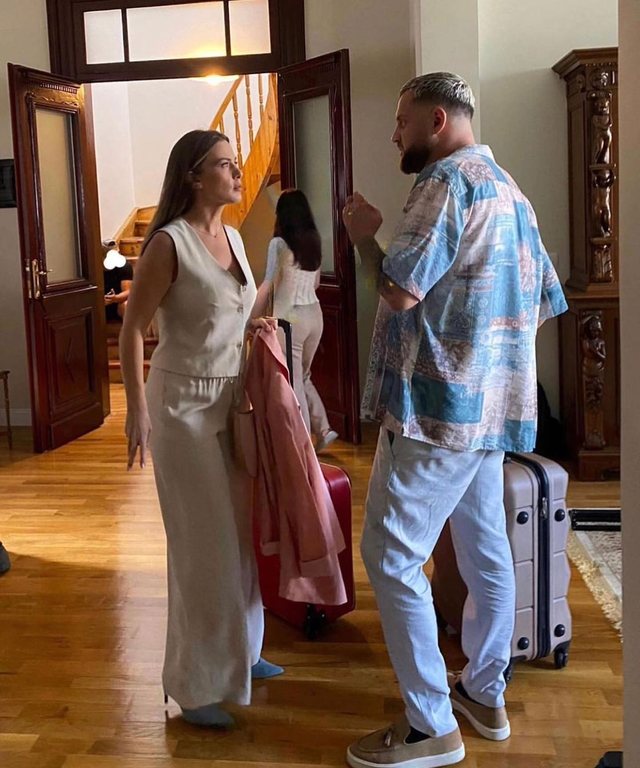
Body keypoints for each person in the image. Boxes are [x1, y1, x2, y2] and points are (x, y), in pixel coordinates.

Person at [341, 72, 568, 768]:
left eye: (402, 120)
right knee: (485, 550)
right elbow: (543, 301)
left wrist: (363, 238)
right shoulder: (512, 192)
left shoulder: (444, 182)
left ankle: (429, 725)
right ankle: (483, 692)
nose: (395, 134)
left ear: (437, 119)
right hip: (491, 411)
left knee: (390, 555)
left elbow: (399, 290)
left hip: (436, 412)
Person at [119, 129, 281, 729]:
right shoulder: (169, 243)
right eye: (224, 165)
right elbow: (131, 329)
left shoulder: (234, 238)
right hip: (180, 405)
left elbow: (232, 311)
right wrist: (136, 409)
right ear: (192, 176)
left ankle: (245, 655)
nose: (236, 173)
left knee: (240, 536)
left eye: (236, 164)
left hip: (232, 400)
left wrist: (255, 327)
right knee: (202, 546)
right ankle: (194, 685)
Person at [251, 189, 338, 453]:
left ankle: (302, 443)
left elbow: (267, 284)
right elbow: (316, 283)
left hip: (291, 318)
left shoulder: (278, 244)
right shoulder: (314, 242)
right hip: (315, 315)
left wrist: (250, 317)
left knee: (292, 379)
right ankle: (324, 429)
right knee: (303, 375)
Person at [103, 240, 133, 322]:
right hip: (100, 305)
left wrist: (115, 298)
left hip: (117, 303)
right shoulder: (95, 267)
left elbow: (128, 292)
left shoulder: (124, 266)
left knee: (126, 305)